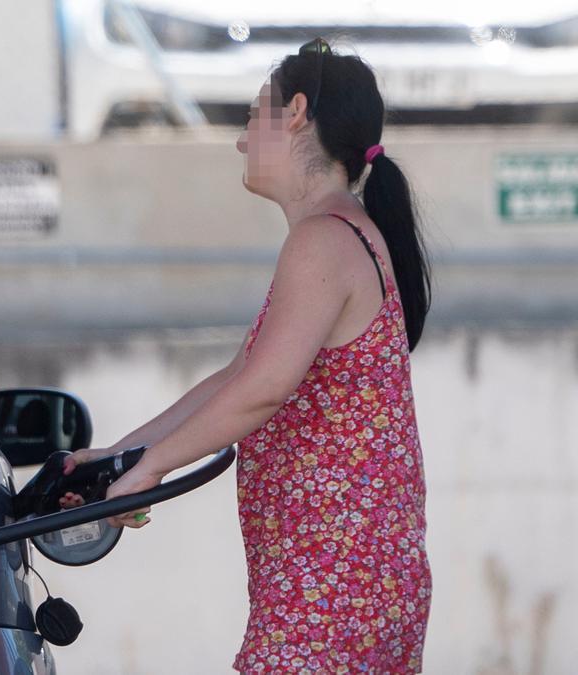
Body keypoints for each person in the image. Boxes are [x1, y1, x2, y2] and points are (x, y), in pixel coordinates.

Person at [58, 39, 433, 673]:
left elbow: (263, 390)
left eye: (252, 114)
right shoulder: (340, 234)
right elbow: (237, 379)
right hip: (346, 583)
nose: (239, 140)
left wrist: (148, 472)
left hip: (331, 592)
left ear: (294, 113)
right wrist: (119, 457)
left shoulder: (324, 240)